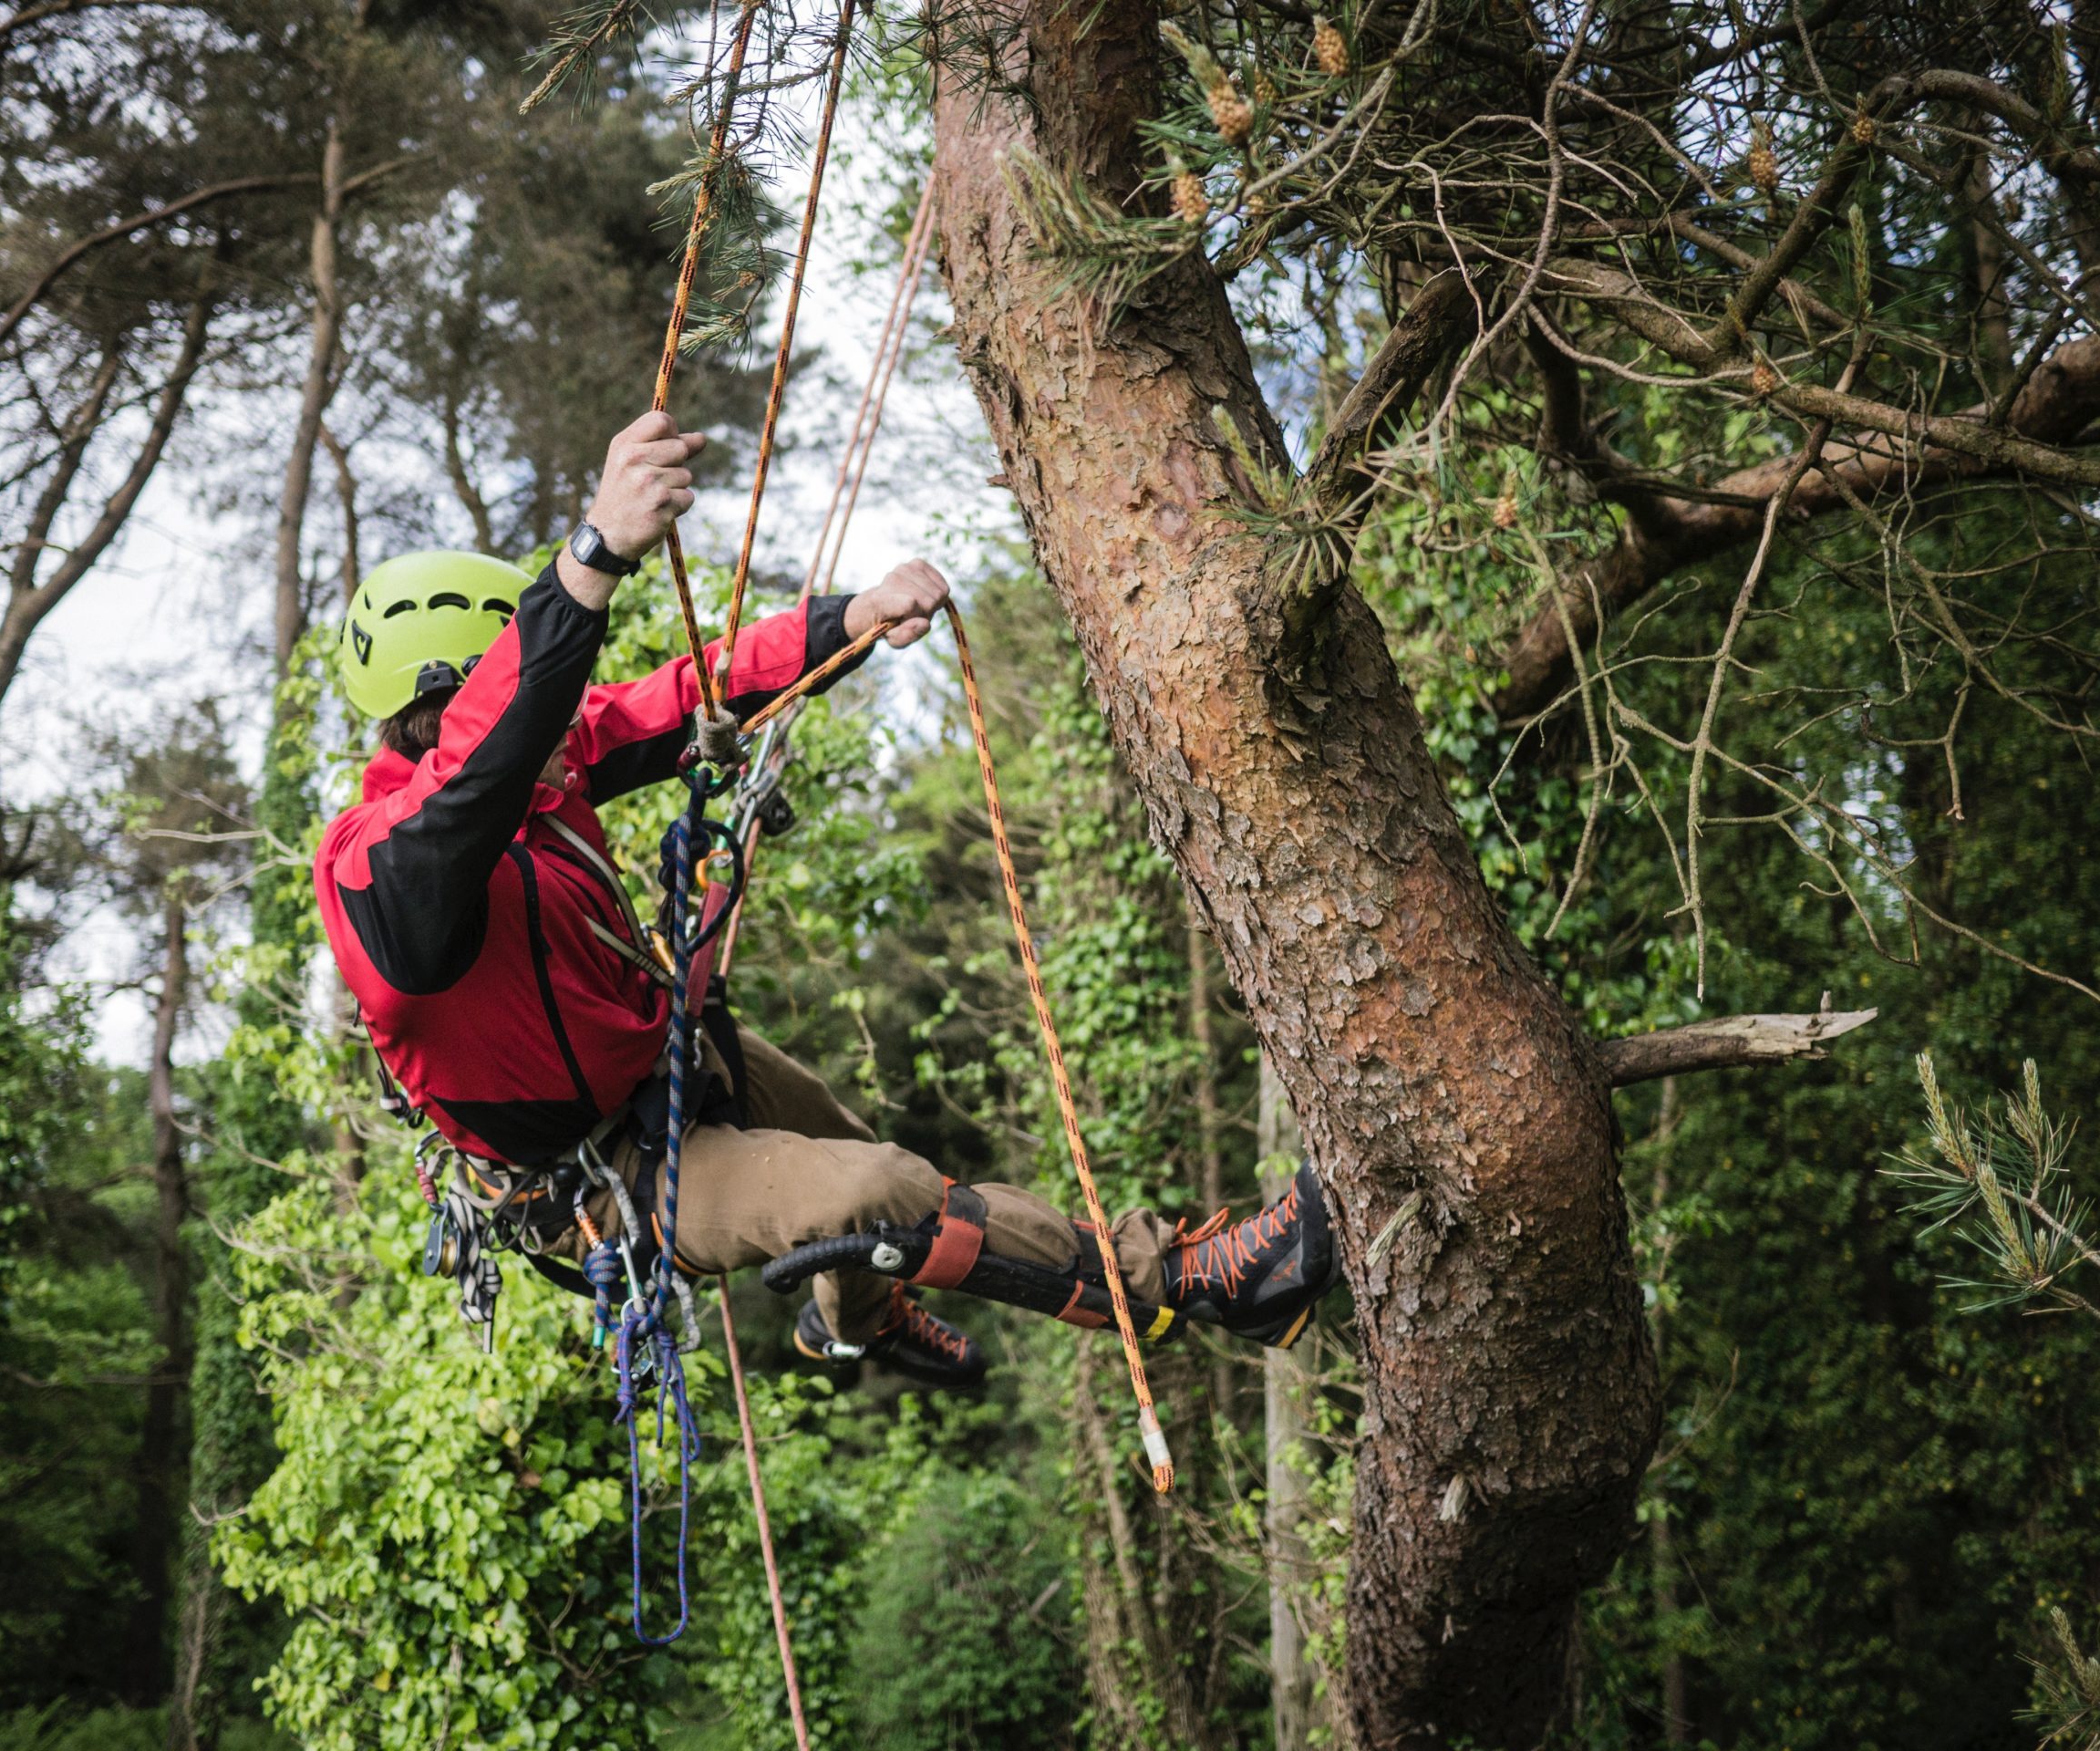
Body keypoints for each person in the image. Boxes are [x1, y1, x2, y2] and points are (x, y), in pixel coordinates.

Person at [315, 409, 1340, 1383]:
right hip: (599, 1180)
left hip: (662, 1063)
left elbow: (685, 696)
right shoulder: (377, 872)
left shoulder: (550, 755)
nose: (571, 725)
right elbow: (467, 797)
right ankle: (1194, 1284)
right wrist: (591, 556)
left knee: (843, 1139)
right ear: (459, 707)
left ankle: (855, 1322)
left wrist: (850, 619)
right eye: (537, 704)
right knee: (876, 1192)